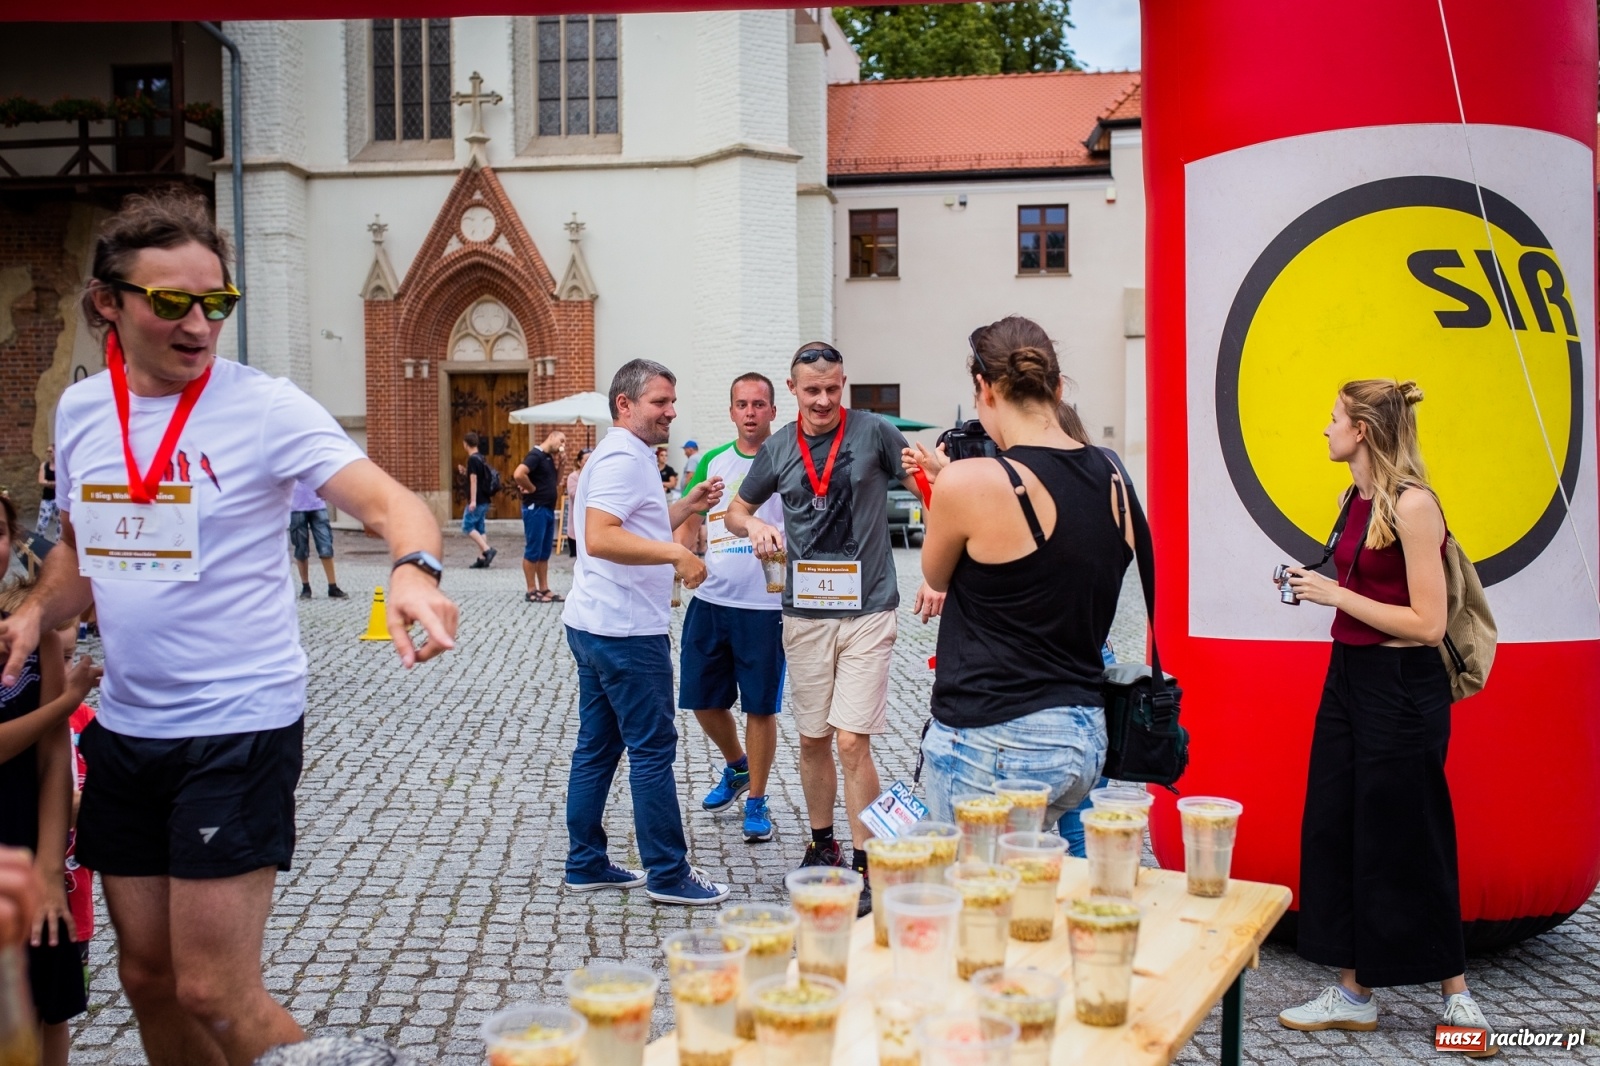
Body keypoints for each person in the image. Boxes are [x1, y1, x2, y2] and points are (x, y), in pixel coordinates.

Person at [0, 187, 459, 1066]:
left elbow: (394, 503)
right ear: (109, 302)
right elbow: (82, 554)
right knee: (145, 975)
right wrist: (32, 612)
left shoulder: (264, 406)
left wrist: (412, 567)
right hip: (131, 729)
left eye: (217, 302)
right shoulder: (83, 410)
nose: (200, 323)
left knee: (213, 987)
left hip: (237, 724)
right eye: (172, 302)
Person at [1275, 380, 1494, 1049]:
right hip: (1350, 677)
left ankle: (1458, 1000)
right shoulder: (1354, 499)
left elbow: (1428, 623)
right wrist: (1316, 586)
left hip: (1403, 684)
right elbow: (1361, 590)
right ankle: (1353, 992)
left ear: (1363, 430)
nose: (1325, 429)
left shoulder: (1413, 505)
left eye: (1335, 418)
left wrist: (1332, 594)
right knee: (1340, 825)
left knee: (1412, 831)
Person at [726, 342, 939, 916]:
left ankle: (868, 862)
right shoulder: (777, 447)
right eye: (812, 390)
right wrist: (754, 529)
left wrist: (938, 570)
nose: (823, 400)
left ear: (844, 384)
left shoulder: (873, 432)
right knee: (815, 737)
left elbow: (931, 492)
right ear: (791, 391)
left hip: (869, 607)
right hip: (804, 611)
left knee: (851, 739)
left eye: (833, 388)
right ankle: (823, 846)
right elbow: (734, 510)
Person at [902, 316, 1134, 835]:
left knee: (977, 909)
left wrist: (950, 480)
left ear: (983, 388)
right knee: (1043, 900)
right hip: (1082, 733)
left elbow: (935, 575)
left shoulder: (971, 480)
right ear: (1056, 386)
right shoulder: (1114, 471)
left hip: (994, 739)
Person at [561, 359, 729, 906]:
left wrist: (686, 505)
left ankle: (585, 863)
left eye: (671, 401)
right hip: (626, 632)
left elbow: (635, 522)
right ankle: (668, 872)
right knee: (653, 748)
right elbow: (603, 536)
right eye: (659, 402)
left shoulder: (626, 456)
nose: (671, 412)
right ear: (625, 405)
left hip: (596, 623)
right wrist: (677, 552)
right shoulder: (622, 459)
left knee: (598, 747)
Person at [0, 495, 103, 1066]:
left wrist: (46, 870)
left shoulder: (34, 635)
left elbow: (51, 761)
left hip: (24, 836)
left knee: (46, 1000)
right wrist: (65, 702)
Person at [673, 374, 786, 843]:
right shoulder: (714, 461)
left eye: (760, 404)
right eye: (742, 404)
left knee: (761, 707)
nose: (751, 412)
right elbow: (690, 513)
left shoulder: (788, 458)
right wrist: (684, 557)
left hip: (765, 604)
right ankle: (737, 766)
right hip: (713, 599)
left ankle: (757, 800)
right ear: (732, 410)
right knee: (701, 698)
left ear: (773, 411)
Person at [514, 430, 566, 603]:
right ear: (551, 437)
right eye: (561, 440)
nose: (562, 444)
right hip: (535, 508)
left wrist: (562, 466)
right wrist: (531, 489)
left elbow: (556, 483)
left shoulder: (548, 457)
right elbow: (519, 474)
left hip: (547, 509)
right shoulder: (535, 455)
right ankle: (531, 590)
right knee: (533, 550)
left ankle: (543, 588)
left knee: (544, 552)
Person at [288, 479, 347, 600]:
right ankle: (306, 587)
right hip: (296, 506)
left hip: (318, 504)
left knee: (326, 546)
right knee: (301, 549)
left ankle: (332, 586)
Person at [462, 432, 497, 569]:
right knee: (480, 528)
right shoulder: (481, 458)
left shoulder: (472, 459)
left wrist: (473, 501)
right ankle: (482, 558)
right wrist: (465, 472)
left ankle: (487, 550)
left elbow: (474, 480)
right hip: (485, 498)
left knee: (467, 526)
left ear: (466, 444)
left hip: (478, 499)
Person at [563, 447, 591, 558]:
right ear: (579, 462)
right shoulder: (573, 477)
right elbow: (574, 495)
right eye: (586, 460)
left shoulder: (596, 475)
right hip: (577, 520)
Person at [36, 445, 58, 538]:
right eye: (47, 451)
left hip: (59, 499)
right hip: (47, 498)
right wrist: (55, 483)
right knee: (41, 524)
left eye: (51, 451)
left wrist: (48, 483)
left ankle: (61, 545)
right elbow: (41, 481)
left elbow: (65, 481)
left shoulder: (61, 466)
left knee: (61, 525)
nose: (48, 454)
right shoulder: (44, 465)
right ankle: (38, 543)